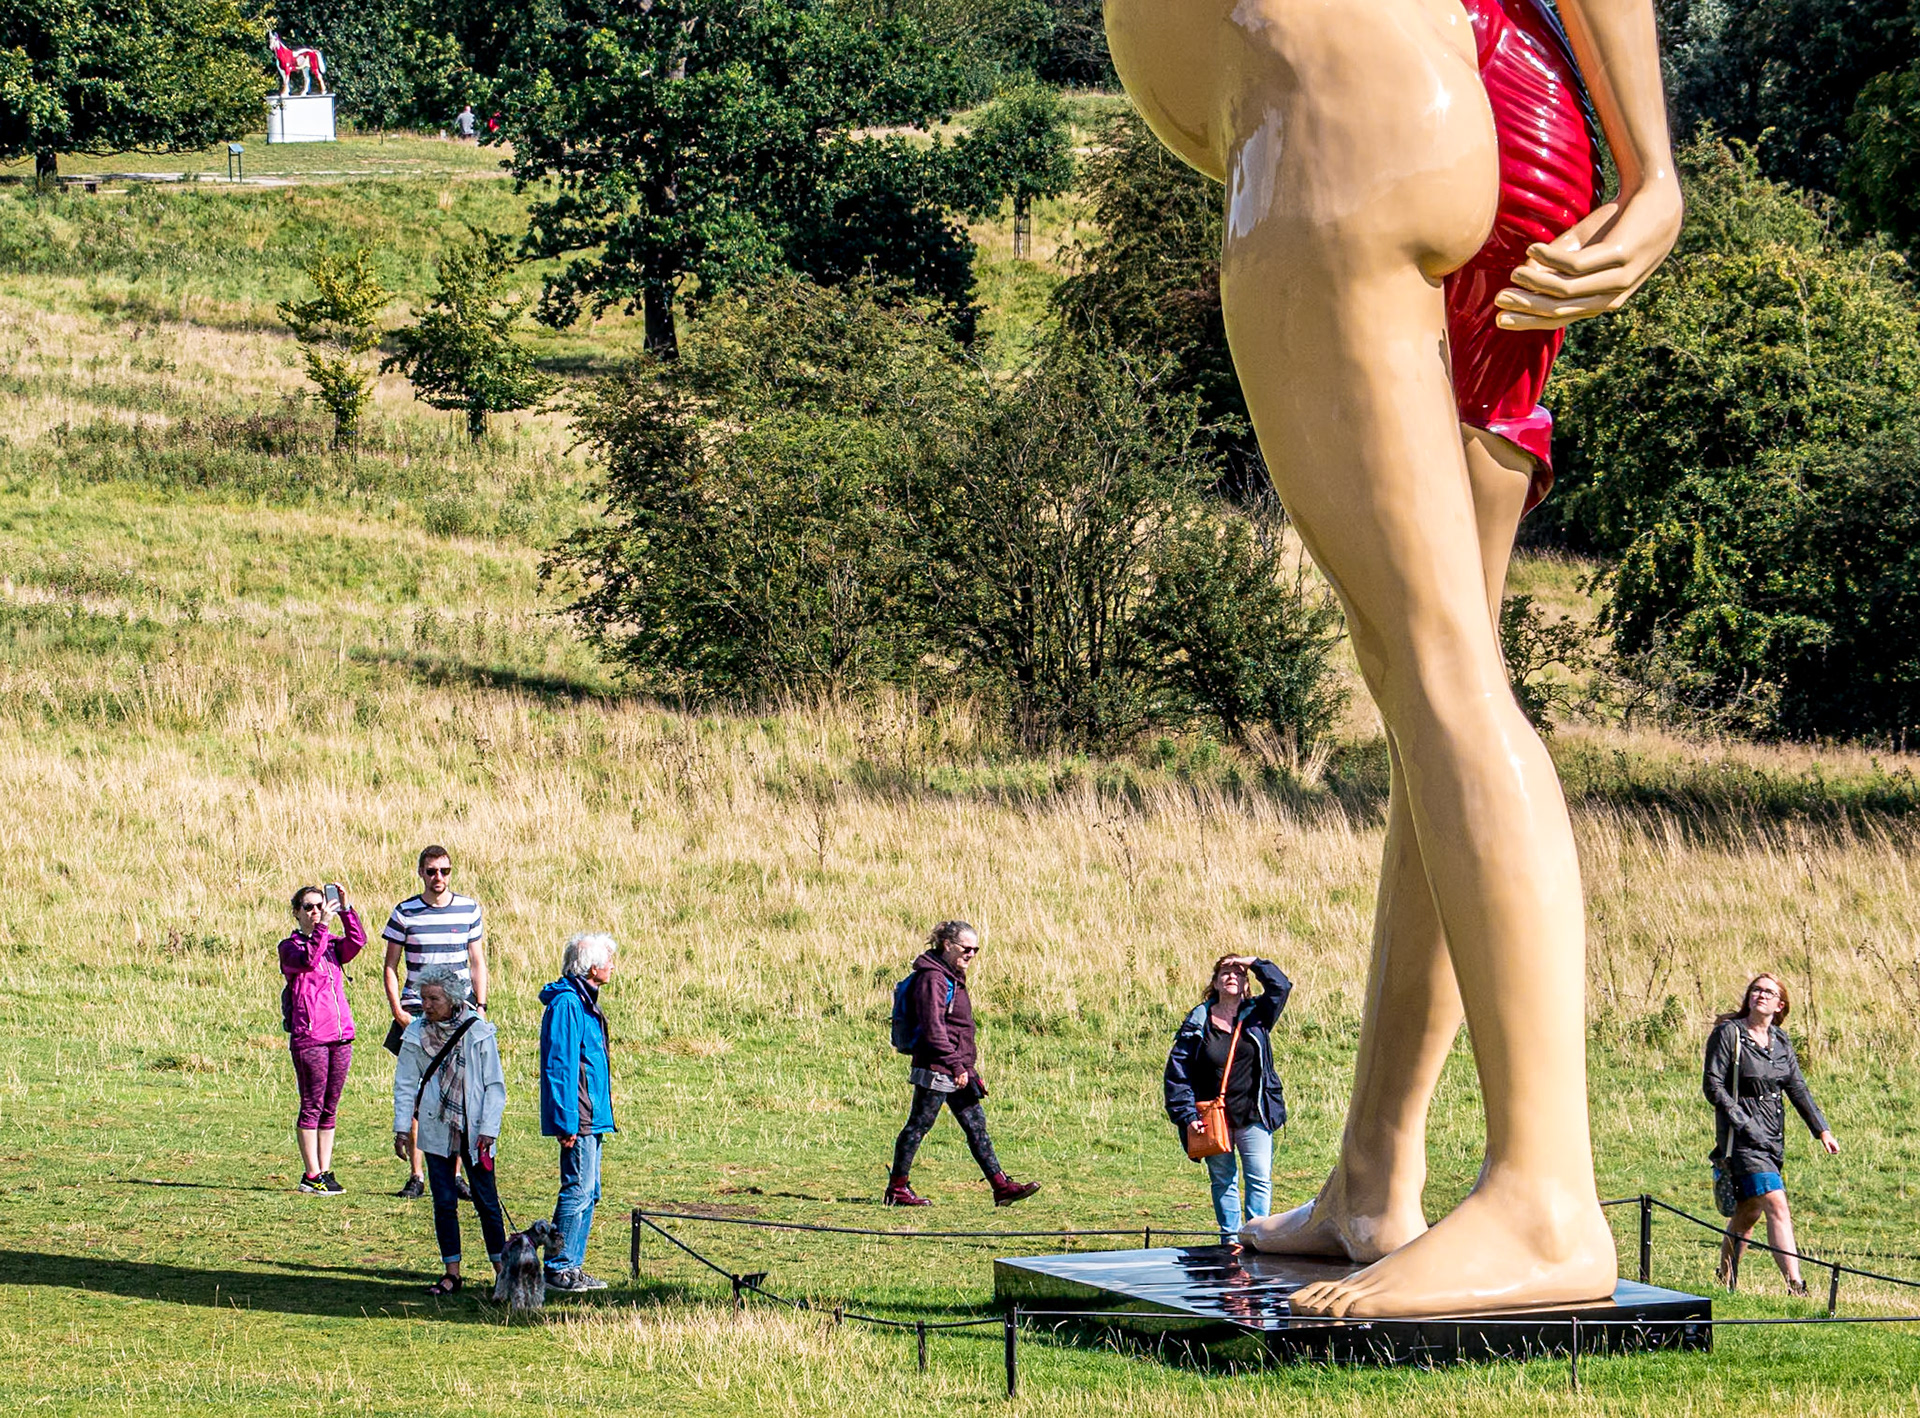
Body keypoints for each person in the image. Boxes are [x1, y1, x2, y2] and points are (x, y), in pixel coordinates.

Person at [1107, 0, 1682, 1316]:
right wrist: (1648, 166)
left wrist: (1659, 170)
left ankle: (1544, 1198)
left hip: (1331, 96)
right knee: (1438, 681)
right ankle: (1376, 1170)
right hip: (1497, 94)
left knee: (1441, 680)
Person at [885, 922, 1040, 1207]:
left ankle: (1001, 1186)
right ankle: (897, 1189)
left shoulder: (950, 975)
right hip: (937, 1067)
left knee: (976, 1125)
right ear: (947, 945)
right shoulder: (932, 979)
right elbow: (933, 1028)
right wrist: (957, 1066)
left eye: (975, 950)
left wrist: (966, 1068)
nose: (971, 954)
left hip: (956, 1068)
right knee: (918, 1126)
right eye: (965, 948)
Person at [1704, 973, 1839, 1295]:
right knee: (1777, 1204)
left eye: (1768, 992)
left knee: (1748, 1214)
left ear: (1780, 1005)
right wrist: (1743, 1121)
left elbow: (1796, 1087)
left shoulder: (1781, 1041)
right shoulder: (1729, 1034)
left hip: (1772, 1139)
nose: (1760, 995)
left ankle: (1724, 1279)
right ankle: (1796, 1285)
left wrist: (1821, 1129)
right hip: (1742, 1140)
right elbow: (1713, 1085)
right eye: (1755, 990)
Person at [392, 965, 508, 1296]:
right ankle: (452, 1273)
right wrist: (402, 1128)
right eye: (423, 998)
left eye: (433, 998)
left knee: (487, 1201)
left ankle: (501, 1271)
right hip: (435, 1125)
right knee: (443, 1201)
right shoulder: (415, 1034)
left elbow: (494, 1086)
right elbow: (404, 1085)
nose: (426, 1005)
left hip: (474, 1128)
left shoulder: (478, 1030)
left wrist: (488, 1129)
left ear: (452, 997)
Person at [382, 845, 488, 1198]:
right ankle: (417, 1174)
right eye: (431, 871)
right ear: (421, 873)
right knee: (415, 1091)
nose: (438, 878)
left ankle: (453, 1172)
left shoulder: (469, 908)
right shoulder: (404, 912)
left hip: (459, 1013)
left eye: (444, 871)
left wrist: (481, 1005)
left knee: (456, 1092)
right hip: (418, 1011)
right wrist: (398, 1010)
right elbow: (390, 966)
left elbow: (476, 961)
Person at [1164, 955, 1294, 1241]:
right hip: (1211, 1117)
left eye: (1238, 973)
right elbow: (1177, 1074)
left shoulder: (1259, 1014)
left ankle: (1256, 1238)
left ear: (1247, 983)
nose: (1232, 976)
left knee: (1259, 1179)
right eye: (1225, 972)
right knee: (1223, 1180)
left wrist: (1254, 962)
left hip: (1254, 1113)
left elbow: (1281, 987)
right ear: (1214, 982)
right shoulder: (1198, 1021)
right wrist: (1187, 1117)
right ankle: (1230, 1243)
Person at [538, 932, 619, 1293]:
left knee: (591, 1191)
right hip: (580, 1115)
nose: (612, 967)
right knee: (577, 1190)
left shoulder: (584, 1001)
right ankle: (558, 1267)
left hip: (591, 1113)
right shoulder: (569, 1004)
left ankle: (573, 1264)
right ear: (592, 967)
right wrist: (565, 1119)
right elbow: (561, 1065)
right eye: (609, 961)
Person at [279, 882, 363, 1195]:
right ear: (296, 913)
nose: (316, 912)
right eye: (309, 908)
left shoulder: (331, 943)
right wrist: (324, 927)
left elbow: (357, 943)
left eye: (320, 905)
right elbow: (308, 961)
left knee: (330, 1106)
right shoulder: (290, 948)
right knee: (311, 1104)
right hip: (310, 1035)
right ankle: (310, 1173)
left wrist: (346, 909)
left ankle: (325, 1171)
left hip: (340, 1035)